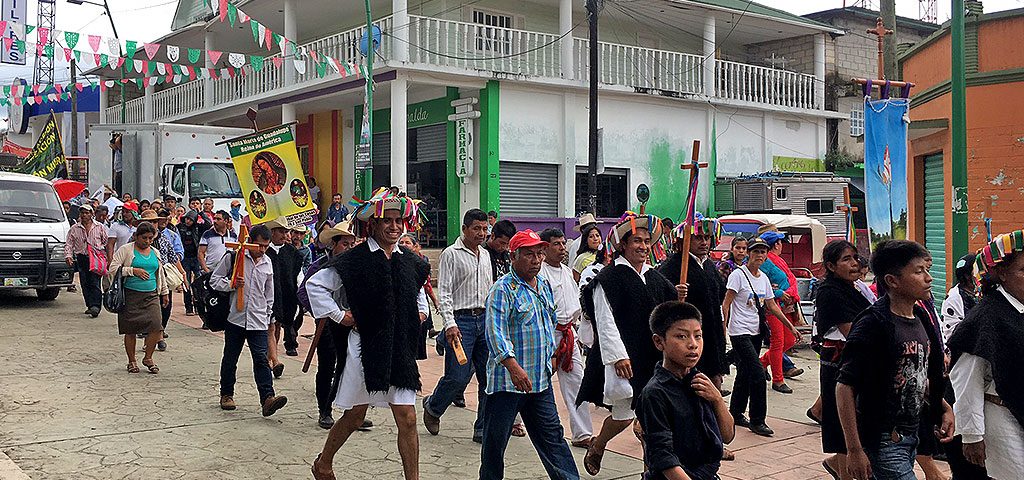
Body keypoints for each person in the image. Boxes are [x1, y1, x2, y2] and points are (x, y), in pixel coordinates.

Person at [311, 191, 430, 480]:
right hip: (365, 349)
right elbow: (316, 285)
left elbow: (419, 293)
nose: (394, 226)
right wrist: (342, 316)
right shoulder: (355, 260)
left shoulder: (411, 261)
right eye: (386, 221)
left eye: (398, 220)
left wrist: (422, 313)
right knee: (355, 416)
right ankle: (324, 462)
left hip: (399, 350)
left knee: (408, 418)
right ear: (372, 225)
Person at [837, 240, 953, 480]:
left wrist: (943, 406)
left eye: (927, 270)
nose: (928, 278)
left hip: (912, 435)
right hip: (884, 440)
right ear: (892, 280)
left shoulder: (920, 316)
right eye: (919, 271)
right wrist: (854, 449)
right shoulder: (873, 324)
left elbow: (915, 376)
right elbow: (844, 386)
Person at [578, 212, 677, 475]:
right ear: (623, 244)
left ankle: (651, 471)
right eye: (637, 241)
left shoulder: (654, 276)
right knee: (622, 417)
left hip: (652, 357)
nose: (643, 246)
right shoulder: (608, 278)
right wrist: (618, 357)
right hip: (624, 358)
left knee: (650, 417)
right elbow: (604, 320)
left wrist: (679, 296)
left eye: (647, 241)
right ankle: (599, 445)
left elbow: (669, 309)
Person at [480, 229, 580, 480]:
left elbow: (549, 322)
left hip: (540, 381)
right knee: (494, 445)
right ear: (513, 257)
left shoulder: (543, 285)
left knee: (553, 439)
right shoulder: (502, 290)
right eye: (528, 255)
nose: (536, 260)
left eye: (539, 253)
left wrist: (554, 356)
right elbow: (495, 333)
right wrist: (513, 367)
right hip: (508, 384)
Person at [948, 235, 1024, 480]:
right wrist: (971, 436)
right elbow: (966, 379)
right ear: (1001, 273)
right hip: (1002, 417)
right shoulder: (986, 318)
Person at [637, 301, 735, 480]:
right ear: (659, 342)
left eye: (698, 336)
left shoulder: (701, 383)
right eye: (682, 337)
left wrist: (717, 400)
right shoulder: (655, 393)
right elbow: (664, 458)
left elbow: (727, 436)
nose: (693, 344)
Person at [423, 209, 494, 443]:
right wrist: (449, 324)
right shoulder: (451, 254)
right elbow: (444, 292)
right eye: (477, 228)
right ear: (464, 229)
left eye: (485, 229)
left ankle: (482, 428)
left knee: (488, 378)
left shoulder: (485, 255)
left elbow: (489, 289)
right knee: (458, 376)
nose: (482, 233)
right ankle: (433, 407)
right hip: (460, 322)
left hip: (484, 321)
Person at [211, 224, 289, 417]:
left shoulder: (267, 262)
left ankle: (268, 398)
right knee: (230, 358)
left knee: (261, 360)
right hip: (235, 318)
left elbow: (268, 292)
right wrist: (231, 285)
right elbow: (214, 280)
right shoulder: (234, 257)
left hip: (258, 320)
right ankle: (226, 394)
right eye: (258, 246)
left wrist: (270, 315)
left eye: (265, 246)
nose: (262, 250)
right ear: (250, 243)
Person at [812, 240, 873, 480]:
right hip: (840, 366)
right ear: (831, 266)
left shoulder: (856, 288)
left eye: (855, 258)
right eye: (846, 259)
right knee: (844, 429)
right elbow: (853, 333)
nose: (854, 263)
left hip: (854, 364)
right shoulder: (830, 291)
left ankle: (836, 464)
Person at [722, 237, 794, 437]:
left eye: (763, 252)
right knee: (757, 374)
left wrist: (790, 326)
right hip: (739, 332)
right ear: (748, 254)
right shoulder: (738, 275)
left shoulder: (763, 278)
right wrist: (724, 328)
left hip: (756, 332)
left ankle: (735, 413)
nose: (760, 256)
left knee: (744, 373)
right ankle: (757, 419)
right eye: (756, 252)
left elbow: (771, 305)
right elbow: (726, 303)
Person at [657, 216, 729, 391]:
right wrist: (675, 293)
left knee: (714, 383)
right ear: (685, 239)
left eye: (707, 237)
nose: (704, 242)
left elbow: (721, 297)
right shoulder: (673, 266)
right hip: (687, 337)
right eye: (698, 237)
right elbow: (659, 300)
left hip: (711, 334)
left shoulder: (711, 266)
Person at [538, 228, 594, 448]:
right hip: (548, 334)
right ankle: (515, 419)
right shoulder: (540, 274)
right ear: (545, 247)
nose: (562, 248)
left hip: (568, 333)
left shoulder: (567, 272)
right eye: (556, 244)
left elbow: (574, 305)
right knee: (536, 381)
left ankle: (582, 433)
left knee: (577, 382)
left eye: (563, 243)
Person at [304, 220, 358, 429]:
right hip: (327, 322)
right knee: (327, 366)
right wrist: (323, 311)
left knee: (351, 366)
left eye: (352, 244)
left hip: (352, 323)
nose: (349, 248)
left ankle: (351, 412)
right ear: (333, 245)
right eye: (345, 244)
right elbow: (305, 291)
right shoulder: (320, 266)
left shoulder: (356, 265)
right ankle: (324, 410)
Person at [107, 221, 170, 374]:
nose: (147, 241)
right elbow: (112, 269)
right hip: (130, 294)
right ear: (136, 236)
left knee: (156, 326)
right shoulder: (126, 250)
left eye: (150, 238)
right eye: (144, 238)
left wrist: (164, 291)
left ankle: (148, 357)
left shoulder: (155, 252)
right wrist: (132, 270)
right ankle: (132, 361)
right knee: (130, 329)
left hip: (151, 295)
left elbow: (159, 273)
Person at [756, 231, 804, 394]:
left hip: (783, 304)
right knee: (778, 341)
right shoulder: (766, 262)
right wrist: (778, 293)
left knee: (789, 340)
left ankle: (761, 363)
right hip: (771, 305)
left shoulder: (777, 260)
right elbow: (762, 285)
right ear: (776, 244)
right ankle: (778, 380)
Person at [265, 217, 305, 369]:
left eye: (286, 231)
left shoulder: (292, 253)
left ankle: (271, 358)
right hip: (267, 296)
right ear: (272, 232)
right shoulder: (264, 251)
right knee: (270, 326)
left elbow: (297, 275)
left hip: (286, 295)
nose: (285, 235)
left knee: (278, 324)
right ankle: (273, 359)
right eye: (281, 232)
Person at [398, 233, 440, 359]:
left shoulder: (421, 264)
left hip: (414, 319)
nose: (404, 245)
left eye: (407, 243)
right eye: (401, 242)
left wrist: (422, 314)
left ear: (416, 246)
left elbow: (423, 288)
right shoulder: (392, 261)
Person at [65, 204, 109, 317]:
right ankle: (90, 305)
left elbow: (105, 242)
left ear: (91, 214)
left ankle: (96, 306)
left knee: (95, 282)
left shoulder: (99, 227)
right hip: (82, 257)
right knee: (85, 282)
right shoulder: (75, 228)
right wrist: (68, 256)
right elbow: (69, 244)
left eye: (87, 213)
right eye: (83, 213)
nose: (85, 215)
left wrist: (104, 255)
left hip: (96, 257)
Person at [153, 209, 186, 352]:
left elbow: (173, 257)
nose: (154, 224)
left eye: (155, 221)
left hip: (164, 278)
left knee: (165, 306)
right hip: (145, 279)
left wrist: (182, 273)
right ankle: (152, 335)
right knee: (150, 309)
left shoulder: (165, 239)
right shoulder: (135, 239)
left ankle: (159, 333)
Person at [178, 211, 204, 317]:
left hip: (196, 257)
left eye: (191, 220)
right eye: (187, 219)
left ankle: (198, 306)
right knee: (186, 282)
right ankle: (188, 307)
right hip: (185, 258)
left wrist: (200, 213)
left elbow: (207, 224)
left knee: (198, 282)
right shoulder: (179, 227)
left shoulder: (198, 227)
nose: (188, 221)